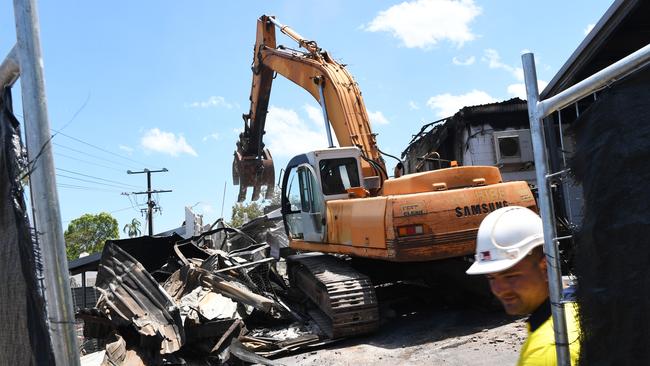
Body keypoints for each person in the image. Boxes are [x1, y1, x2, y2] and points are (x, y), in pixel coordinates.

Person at [466, 206, 580, 365]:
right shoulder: (570, 310)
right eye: (491, 278)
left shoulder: (546, 351)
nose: (499, 290)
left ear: (545, 268)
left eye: (511, 276)